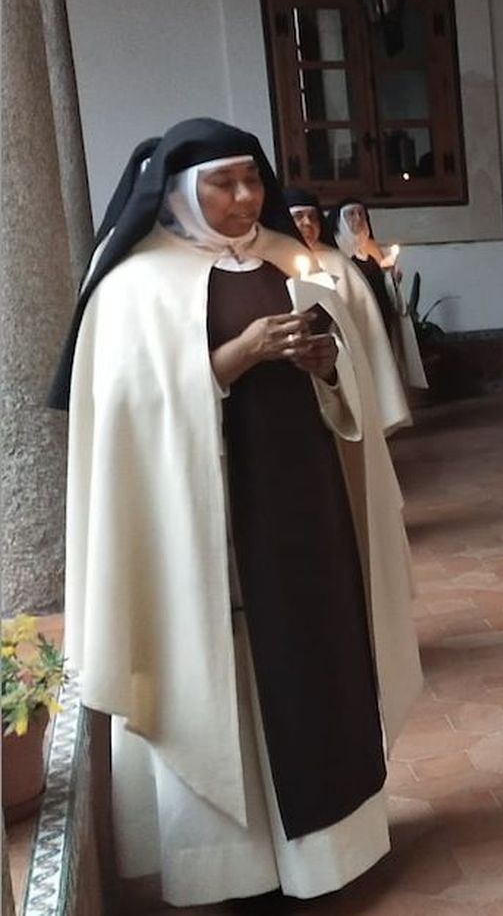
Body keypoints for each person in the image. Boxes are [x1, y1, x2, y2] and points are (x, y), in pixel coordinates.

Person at [51, 119, 423, 906]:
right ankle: (237, 867)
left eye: (253, 179)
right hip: (204, 528)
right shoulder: (134, 288)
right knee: (225, 675)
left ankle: (329, 855)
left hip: (304, 509)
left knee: (315, 662)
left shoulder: (291, 259)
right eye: (224, 184)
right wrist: (236, 357)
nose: (246, 197)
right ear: (179, 193)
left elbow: (348, 392)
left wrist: (328, 367)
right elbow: (132, 416)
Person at [283, 187, 411, 434]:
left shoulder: (336, 260)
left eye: (313, 217)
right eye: (298, 217)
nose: (307, 223)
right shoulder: (273, 260)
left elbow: (361, 315)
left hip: (341, 357)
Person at [330, 199, 429, 391]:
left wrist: (392, 277)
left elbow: (386, 280)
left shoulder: (372, 247)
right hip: (356, 316)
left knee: (384, 363)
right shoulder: (335, 250)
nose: (358, 218)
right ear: (340, 219)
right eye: (351, 214)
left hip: (381, 314)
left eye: (361, 213)